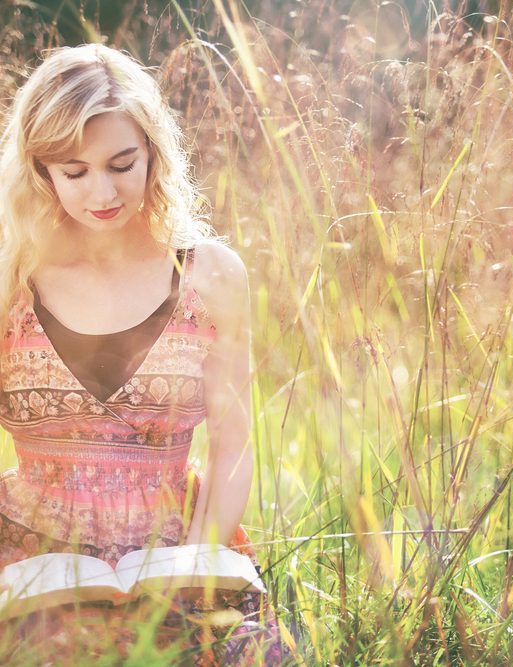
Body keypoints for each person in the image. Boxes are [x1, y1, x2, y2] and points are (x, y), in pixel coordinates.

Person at [0, 43, 285, 664]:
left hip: (177, 550)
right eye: (74, 172)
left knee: (249, 654)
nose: (101, 191)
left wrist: (200, 562)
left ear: (153, 152)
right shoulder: (8, 278)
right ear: (41, 171)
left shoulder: (210, 275)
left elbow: (234, 443)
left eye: (121, 163)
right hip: (28, 556)